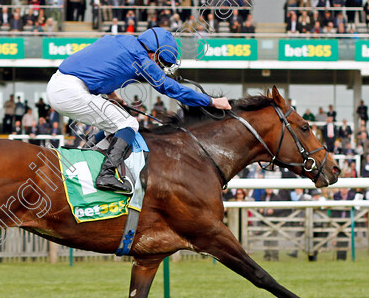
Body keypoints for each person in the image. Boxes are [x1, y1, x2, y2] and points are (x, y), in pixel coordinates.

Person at [45, 27, 231, 194]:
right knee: (128, 123)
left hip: (62, 84)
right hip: (69, 91)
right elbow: (171, 88)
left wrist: (113, 96)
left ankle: (88, 151)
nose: (160, 67)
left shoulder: (121, 40)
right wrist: (211, 101)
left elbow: (100, 67)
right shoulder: (142, 59)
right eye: (161, 62)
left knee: (118, 122)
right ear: (154, 54)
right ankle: (106, 174)